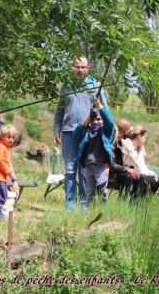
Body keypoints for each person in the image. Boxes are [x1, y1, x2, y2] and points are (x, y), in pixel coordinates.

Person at [53, 56, 108, 211]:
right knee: (70, 169)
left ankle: (85, 206)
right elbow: (59, 111)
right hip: (69, 132)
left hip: (88, 132)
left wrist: (104, 131)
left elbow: (104, 110)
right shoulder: (66, 86)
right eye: (77, 67)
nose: (80, 70)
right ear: (73, 67)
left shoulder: (96, 85)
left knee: (84, 170)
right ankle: (70, 205)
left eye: (83, 67)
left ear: (88, 68)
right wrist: (56, 130)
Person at [73, 98, 114, 209]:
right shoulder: (87, 131)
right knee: (89, 192)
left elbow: (110, 123)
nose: (96, 122)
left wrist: (100, 107)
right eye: (94, 120)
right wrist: (85, 122)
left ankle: (104, 211)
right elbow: (75, 136)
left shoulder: (105, 132)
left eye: (99, 119)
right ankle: (90, 213)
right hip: (88, 165)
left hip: (100, 165)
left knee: (102, 191)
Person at [0, 124, 21, 219]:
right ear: (2, 137)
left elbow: (7, 162)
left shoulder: (5, 147)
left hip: (1, 177)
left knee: (4, 194)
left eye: (13, 138)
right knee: (0, 195)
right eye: (9, 137)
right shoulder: (0, 147)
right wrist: (7, 170)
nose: (11, 140)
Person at [121, 126, 159, 199]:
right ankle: (135, 202)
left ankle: (142, 200)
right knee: (141, 177)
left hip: (139, 173)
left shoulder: (140, 150)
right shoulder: (126, 146)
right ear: (139, 136)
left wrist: (151, 173)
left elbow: (142, 166)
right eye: (144, 137)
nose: (145, 140)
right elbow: (130, 165)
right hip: (127, 172)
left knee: (157, 180)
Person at [109, 118, 141, 199]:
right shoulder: (112, 142)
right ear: (123, 130)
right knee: (128, 177)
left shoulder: (122, 142)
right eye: (128, 129)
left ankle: (134, 203)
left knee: (140, 177)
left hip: (120, 171)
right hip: (110, 174)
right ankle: (122, 202)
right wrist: (127, 169)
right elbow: (111, 164)